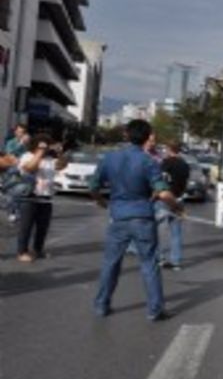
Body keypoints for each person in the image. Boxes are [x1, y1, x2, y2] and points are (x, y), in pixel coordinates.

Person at [90, 119, 181, 321]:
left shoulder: (110, 158)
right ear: (148, 136)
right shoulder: (149, 161)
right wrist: (177, 206)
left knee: (110, 263)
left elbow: (94, 186)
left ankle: (101, 305)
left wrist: (102, 202)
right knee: (149, 264)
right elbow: (163, 193)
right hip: (142, 217)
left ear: (126, 134)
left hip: (118, 216)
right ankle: (154, 310)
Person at [15, 134, 68, 262]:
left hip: (46, 197)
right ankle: (22, 252)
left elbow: (62, 165)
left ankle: (38, 250)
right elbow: (29, 168)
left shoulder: (50, 159)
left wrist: (60, 153)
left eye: (47, 144)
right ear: (35, 145)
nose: (45, 148)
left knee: (43, 227)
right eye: (41, 144)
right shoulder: (27, 156)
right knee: (26, 226)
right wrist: (39, 152)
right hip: (29, 196)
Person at [157, 141, 190, 270]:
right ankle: (176, 261)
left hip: (166, 198)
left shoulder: (166, 163)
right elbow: (185, 181)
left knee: (156, 229)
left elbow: (160, 179)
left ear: (169, 149)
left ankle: (159, 258)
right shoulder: (185, 164)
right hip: (179, 198)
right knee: (176, 232)